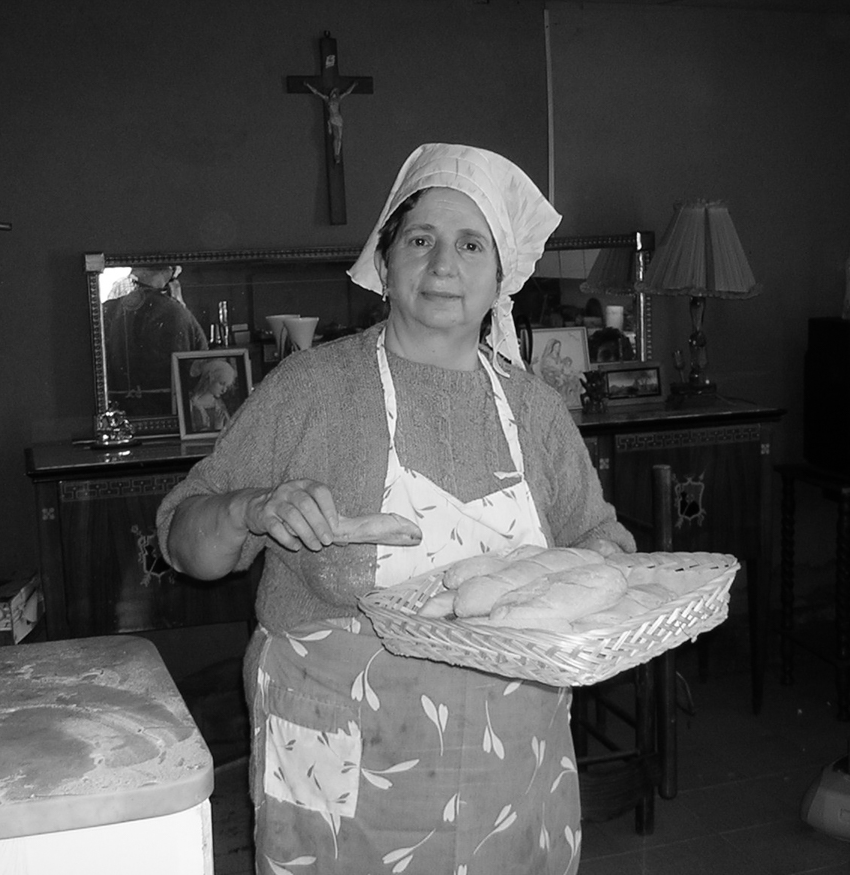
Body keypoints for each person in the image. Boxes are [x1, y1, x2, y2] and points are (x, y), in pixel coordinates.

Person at [155, 143, 634, 873]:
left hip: (509, 770)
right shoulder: (310, 390)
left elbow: (597, 538)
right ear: (383, 266)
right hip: (342, 775)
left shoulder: (535, 413)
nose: (444, 262)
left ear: (500, 276)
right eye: (420, 239)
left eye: (470, 243)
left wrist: (606, 569)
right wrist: (252, 506)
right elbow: (182, 541)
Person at [101, 265, 208, 416]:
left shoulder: (108, 308)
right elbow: (198, 369)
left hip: (118, 413)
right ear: (169, 270)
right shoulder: (175, 312)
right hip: (164, 412)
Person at [187, 357, 237, 433]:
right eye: (221, 384)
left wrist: (219, 427)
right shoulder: (192, 404)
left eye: (226, 386)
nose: (224, 390)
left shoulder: (219, 404)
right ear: (210, 379)